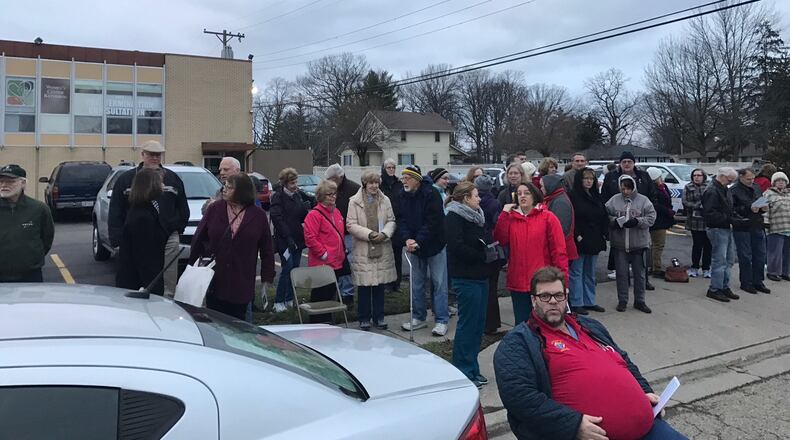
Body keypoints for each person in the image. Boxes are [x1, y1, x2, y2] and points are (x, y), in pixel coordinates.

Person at [494, 266, 688, 440]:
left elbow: (624, 361)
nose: (553, 302)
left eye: (558, 295)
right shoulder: (519, 342)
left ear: (566, 297)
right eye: (545, 296)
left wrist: (646, 391)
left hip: (649, 427)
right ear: (533, 300)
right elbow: (520, 398)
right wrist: (572, 424)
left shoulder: (589, 326)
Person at [190, 174, 276, 320]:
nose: (224, 190)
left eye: (229, 187)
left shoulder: (258, 215)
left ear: (242, 191)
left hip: (242, 278)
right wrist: (192, 267)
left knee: (238, 326)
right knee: (216, 322)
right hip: (215, 277)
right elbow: (199, 238)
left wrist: (267, 276)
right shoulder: (215, 209)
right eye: (225, 186)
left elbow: (267, 248)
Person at [109, 140, 189, 297]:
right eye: (151, 155)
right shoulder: (127, 179)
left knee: (166, 279)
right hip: (134, 235)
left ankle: (165, 305)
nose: (155, 158)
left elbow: (182, 207)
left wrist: (177, 227)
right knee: (134, 276)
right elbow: (115, 211)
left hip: (167, 234)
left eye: (158, 155)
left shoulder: (172, 178)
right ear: (143, 155)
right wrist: (117, 240)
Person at [494, 182, 568, 324]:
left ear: (534, 195)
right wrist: (504, 214)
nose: (522, 196)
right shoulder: (511, 218)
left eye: (526, 193)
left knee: (544, 322)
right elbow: (500, 239)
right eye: (519, 193)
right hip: (518, 281)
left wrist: (563, 281)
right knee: (522, 323)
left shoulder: (548, 218)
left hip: (543, 280)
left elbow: (559, 252)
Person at [445, 182, 489, 388]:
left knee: (478, 325)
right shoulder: (453, 217)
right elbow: (456, 246)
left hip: (481, 276)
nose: (479, 199)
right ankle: (463, 370)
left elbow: (482, 239)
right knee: (467, 325)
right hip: (466, 276)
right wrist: (481, 254)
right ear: (465, 198)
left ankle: (473, 368)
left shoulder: (477, 216)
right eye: (475, 195)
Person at [398, 165, 450, 336]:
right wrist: (407, 239)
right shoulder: (402, 196)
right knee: (417, 283)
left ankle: (441, 319)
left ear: (416, 179)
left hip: (434, 245)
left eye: (407, 178)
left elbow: (433, 222)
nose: (404, 181)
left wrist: (418, 240)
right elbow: (401, 220)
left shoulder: (431, 194)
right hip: (415, 246)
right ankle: (419, 317)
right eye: (403, 178)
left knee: (439, 283)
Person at [346, 171, 397, 330]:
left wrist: (384, 234)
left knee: (379, 285)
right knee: (364, 286)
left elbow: (391, 220)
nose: (374, 186)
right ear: (365, 184)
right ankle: (364, 318)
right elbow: (351, 225)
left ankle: (379, 317)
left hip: (382, 245)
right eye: (371, 183)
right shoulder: (354, 202)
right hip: (363, 248)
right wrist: (369, 234)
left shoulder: (385, 200)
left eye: (376, 183)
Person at [601, 151, 658, 287]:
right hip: (619, 226)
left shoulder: (643, 176)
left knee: (642, 257)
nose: (627, 164)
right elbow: (604, 200)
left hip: (639, 225)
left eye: (629, 161)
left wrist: (644, 217)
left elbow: (653, 195)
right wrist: (613, 221)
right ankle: (623, 280)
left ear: (634, 163)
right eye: (624, 161)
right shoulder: (611, 177)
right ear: (620, 164)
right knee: (620, 255)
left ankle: (644, 281)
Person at [606, 175, 657, 314]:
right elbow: (605, 214)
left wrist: (638, 221)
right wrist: (614, 221)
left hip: (639, 244)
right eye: (623, 188)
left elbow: (651, 218)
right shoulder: (614, 200)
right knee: (621, 274)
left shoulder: (643, 200)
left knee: (639, 274)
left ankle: (640, 301)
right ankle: (622, 300)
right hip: (620, 244)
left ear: (633, 187)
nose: (626, 192)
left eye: (628, 188)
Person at [302, 180, 350, 323]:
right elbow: (310, 238)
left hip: (337, 261)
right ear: (321, 196)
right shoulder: (314, 215)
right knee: (319, 296)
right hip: (322, 263)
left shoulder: (336, 212)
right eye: (329, 194)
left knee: (331, 295)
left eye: (334, 193)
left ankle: (329, 322)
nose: (333, 196)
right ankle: (316, 325)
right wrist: (323, 253)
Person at [116, 168, 168, 295]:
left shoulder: (146, 209)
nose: (163, 186)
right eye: (160, 182)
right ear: (152, 186)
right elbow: (144, 257)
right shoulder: (142, 217)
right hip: (139, 284)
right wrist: (150, 288)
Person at [0, 164, 54, 283]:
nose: (4, 185)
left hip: (31, 276)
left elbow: (47, 239)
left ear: (23, 183)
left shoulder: (39, 209)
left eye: (10, 181)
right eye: (1, 181)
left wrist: (33, 258)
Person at [270, 168, 312, 312]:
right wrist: (287, 237)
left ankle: (289, 299)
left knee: (294, 269)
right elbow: (277, 218)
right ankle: (278, 300)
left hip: (297, 238)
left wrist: (305, 208)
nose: (295, 185)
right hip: (284, 239)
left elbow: (301, 216)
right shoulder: (278, 197)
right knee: (287, 269)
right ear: (284, 183)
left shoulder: (297, 195)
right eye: (292, 183)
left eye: (296, 182)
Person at [568, 167, 609, 314]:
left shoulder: (596, 196)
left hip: (595, 238)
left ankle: (589, 301)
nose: (588, 181)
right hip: (580, 239)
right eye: (586, 178)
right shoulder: (573, 196)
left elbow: (603, 215)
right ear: (580, 180)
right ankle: (576, 302)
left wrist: (605, 232)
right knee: (577, 271)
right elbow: (571, 218)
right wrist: (577, 235)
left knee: (589, 272)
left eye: (591, 179)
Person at [324, 164, 360, 306]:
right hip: (332, 233)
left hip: (348, 233)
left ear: (338, 177)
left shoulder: (354, 189)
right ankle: (336, 291)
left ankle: (347, 294)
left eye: (331, 179)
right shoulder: (329, 189)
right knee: (335, 263)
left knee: (347, 264)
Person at [702, 167, 740, 302]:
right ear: (722, 176)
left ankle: (724, 286)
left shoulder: (724, 189)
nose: (729, 183)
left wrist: (734, 216)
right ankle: (715, 288)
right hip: (717, 228)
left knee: (729, 259)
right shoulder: (712, 190)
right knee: (720, 259)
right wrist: (729, 218)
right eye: (729, 180)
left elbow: (728, 207)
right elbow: (709, 213)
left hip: (726, 226)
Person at [731, 168, 770, 294]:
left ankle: (758, 281)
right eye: (748, 179)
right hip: (743, 226)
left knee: (760, 255)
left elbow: (761, 200)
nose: (751, 181)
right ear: (741, 177)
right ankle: (746, 282)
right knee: (745, 256)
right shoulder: (734, 190)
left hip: (757, 224)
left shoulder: (756, 187)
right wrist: (747, 208)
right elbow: (732, 209)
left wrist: (763, 208)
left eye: (753, 178)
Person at [475, 175, 503, 334]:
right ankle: (492, 322)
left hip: (485, 248)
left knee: (485, 287)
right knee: (492, 287)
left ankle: (487, 322)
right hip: (494, 248)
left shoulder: (478, 204)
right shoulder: (495, 203)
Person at [541, 174, 579, 275]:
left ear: (550, 186)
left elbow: (560, 230)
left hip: (562, 251)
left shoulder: (560, 202)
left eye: (542, 186)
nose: (541, 188)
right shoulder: (553, 198)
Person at [682, 168, 712, 278]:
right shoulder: (688, 187)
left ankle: (706, 268)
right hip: (695, 220)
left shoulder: (709, 186)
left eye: (699, 175)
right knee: (697, 245)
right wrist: (697, 205)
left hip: (707, 220)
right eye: (694, 175)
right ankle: (694, 267)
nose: (697, 177)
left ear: (703, 176)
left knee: (708, 246)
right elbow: (685, 201)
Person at [647, 167, 675, 278]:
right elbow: (655, 205)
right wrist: (668, 210)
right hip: (657, 220)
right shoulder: (653, 189)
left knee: (655, 245)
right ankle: (656, 268)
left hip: (664, 219)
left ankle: (653, 266)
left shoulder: (663, 187)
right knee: (658, 245)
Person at [380, 158, 404, 292]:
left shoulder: (398, 183)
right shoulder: (380, 184)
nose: (391, 170)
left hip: (397, 222)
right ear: (384, 168)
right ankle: (387, 282)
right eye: (389, 167)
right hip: (384, 223)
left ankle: (397, 282)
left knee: (397, 254)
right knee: (386, 255)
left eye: (393, 167)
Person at [764, 172, 790, 282]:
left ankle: (785, 272)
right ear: (774, 182)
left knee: (787, 252)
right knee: (775, 252)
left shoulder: (788, 194)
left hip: (788, 227)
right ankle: (773, 272)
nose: (781, 182)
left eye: (783, 181)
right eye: (778, 180)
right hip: (775, 227)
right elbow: (764, 210)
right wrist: (765, 222)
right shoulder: (768, 194)